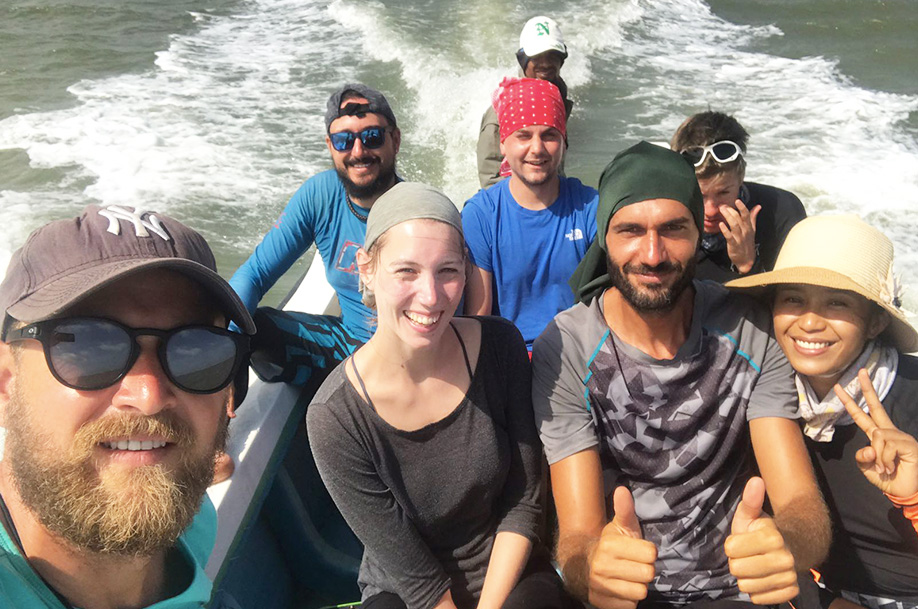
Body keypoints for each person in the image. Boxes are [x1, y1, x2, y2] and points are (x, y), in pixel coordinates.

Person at [532, 141, 831, 607]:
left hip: (741, 586)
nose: (653, 255)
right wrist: (593, 567)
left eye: (674, 228)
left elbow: (800, 504)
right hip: (629, 593)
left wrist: (786, 546)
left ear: (698, 232)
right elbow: (577, 538)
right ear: (604, 239)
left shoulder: (749, 327)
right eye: (630, 230)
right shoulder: (568, 346)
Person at [307, 183, 575, 609]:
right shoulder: (336, 416)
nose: (430, 297)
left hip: (508, 576)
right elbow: (415, 579)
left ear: (466, 271)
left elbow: (524, 502)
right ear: (367, 269)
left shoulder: (499, 347)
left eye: (447, 271)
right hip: (405, 591)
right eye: (406, 271)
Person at [0, 204, 255, 608]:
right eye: (88, 347)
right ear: (6, 383)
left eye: (196, 350)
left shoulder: (189, 517)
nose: (149, 398)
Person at [727, 215, 918, 608]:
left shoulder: (912, 393)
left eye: (837, 302)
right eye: (793, 299)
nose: (810, 322)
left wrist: (914, 499)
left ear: (876, 321)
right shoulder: (760, 393)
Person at [230, 83, 401, 392]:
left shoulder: (417, 210)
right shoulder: (320, 195)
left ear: (395, 140)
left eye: (372, 137)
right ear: (330, 145)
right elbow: (255, 274)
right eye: (343, 140)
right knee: (255, 328)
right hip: (349, 344)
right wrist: (229, 348)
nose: (358, 151)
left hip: (407, 360)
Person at [463, 77, 597, 351]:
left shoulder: (590, 207)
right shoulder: (480, 216)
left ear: (564, 140)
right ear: (503, 143)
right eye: (523, 136)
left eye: (549, 135)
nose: (537, 148)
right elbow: (478, 322)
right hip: (508, 357)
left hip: (577, 357)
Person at [670, 111, 807, 282]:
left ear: (741, 177)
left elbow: (797, 294)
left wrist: (748, 265)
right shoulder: (661, 224)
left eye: (723, 193)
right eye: (698, 195)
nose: (710, 211)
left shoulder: (782, 210)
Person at [477, 15, 575, 189]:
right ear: (522, 59)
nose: (545, 63)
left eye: (553, 56)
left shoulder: (559, 97)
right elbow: (490, 179)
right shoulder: (500, 112)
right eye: (537, 57)